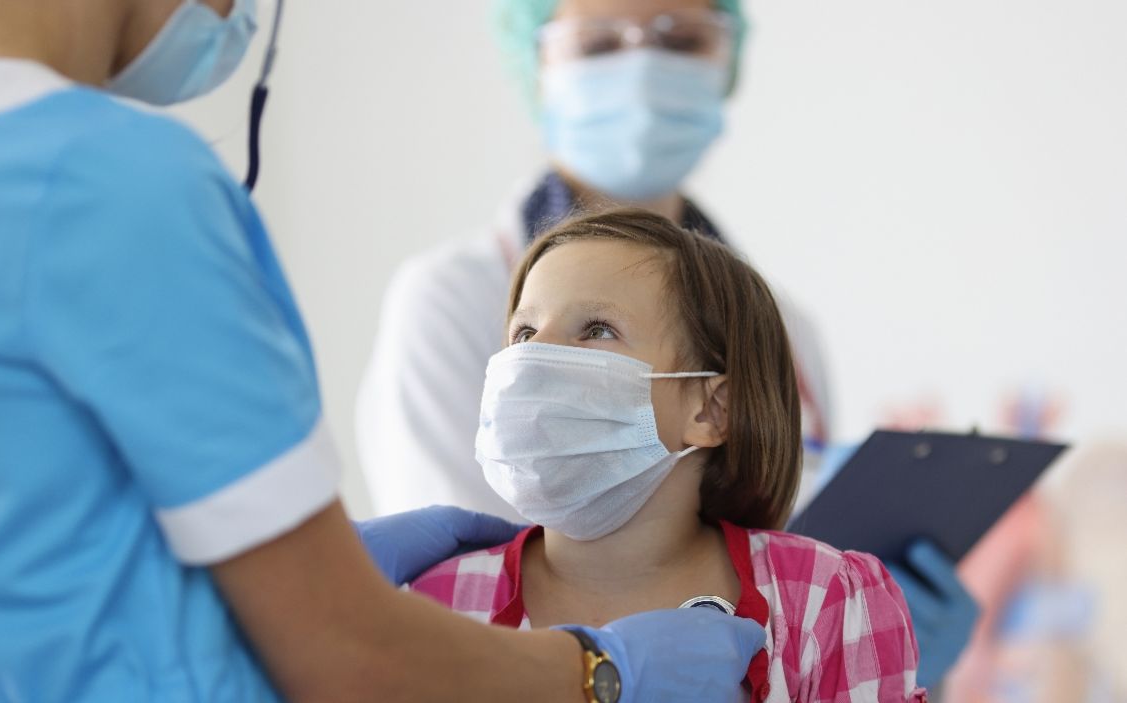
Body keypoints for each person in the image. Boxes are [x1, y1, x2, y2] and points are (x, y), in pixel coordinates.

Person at [0, 1, 768, 700]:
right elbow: (348, 659)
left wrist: (291, 570)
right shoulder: (113, 186)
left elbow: (16, 556)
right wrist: (602, 671)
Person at [356, 0, 977, 686]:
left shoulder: (785, 328)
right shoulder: (452, 298)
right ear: (536, 63)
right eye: (598, 45)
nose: (643, 68)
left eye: (680, 38)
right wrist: (607, 677)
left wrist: (866, 642)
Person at [407, 209, 927, 701]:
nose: (532, 356)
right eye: (523, 332)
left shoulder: (823, 600)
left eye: (597, 329)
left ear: (711, 409)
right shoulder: (435, 605)